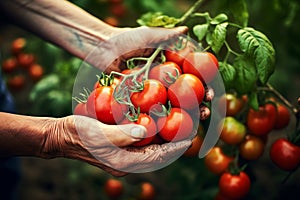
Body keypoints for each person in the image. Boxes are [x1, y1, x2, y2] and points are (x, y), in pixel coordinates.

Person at [0, 0, 191, 199]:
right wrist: (52, 136)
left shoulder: (119, 93)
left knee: (7, 176)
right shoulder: (119, 95)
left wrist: (106, 42)